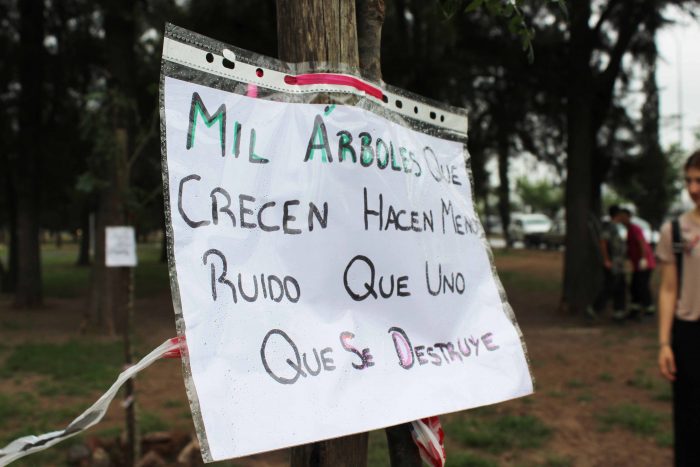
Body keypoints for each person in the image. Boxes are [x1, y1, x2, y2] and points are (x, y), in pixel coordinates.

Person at [656, 150, 700, 466]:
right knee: (688, 421)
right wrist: (664, 343)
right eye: (689, 180)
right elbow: (669, 289)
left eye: (699, 180)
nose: (693, 188)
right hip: (689, 334)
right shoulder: (675, 230)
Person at [587, 205, 627, 321]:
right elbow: (603, 243)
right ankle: (594, 309)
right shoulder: (609, 227)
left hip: (618, 263)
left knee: (621, 286)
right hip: (612, 262)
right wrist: (606, 260)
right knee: (610, 286)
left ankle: (618, 312)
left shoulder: (616, 227)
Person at [620, 207, 656, 319]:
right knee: (634, 286)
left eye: (624, 216)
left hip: (644, 263)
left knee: (642, 286)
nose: (622, 219)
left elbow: (641, 243)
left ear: (629, 217)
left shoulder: (635, 229)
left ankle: (649, 309)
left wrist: (643, 258)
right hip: (637, 264)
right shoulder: (629, 229)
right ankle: (635, 309)